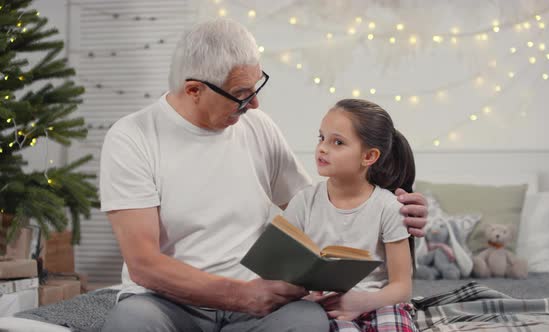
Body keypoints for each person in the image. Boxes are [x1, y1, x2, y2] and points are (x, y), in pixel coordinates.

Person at [99, 18, 427, 332]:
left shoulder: (257, 126)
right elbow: (143, 264)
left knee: (308, 321)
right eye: (242, 94)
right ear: (195, 90)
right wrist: (240, 296)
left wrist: (393, 213)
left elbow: (320, 207)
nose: (254, 104)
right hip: (169, 304)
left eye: (257, 86)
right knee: (130, 322)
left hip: (256, 308)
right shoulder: (132, 137)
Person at [283, 99, 418, 331]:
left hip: (379, 303)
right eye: (321, 138)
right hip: (327, 309)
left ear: (369, 157)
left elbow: (402, 288)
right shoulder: (304, 202)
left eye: (338, 142)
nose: (323, 148)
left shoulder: (388, 207)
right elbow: (284, 269)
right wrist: (302, 297)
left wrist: (362, 301)